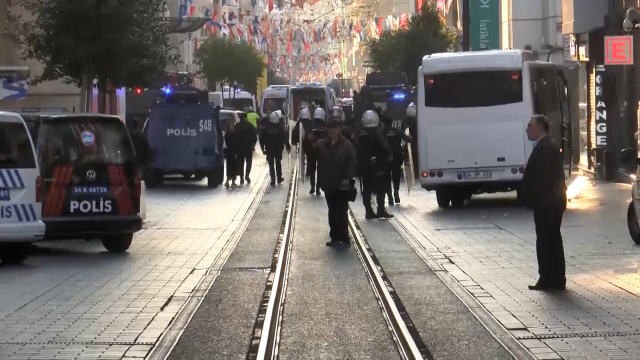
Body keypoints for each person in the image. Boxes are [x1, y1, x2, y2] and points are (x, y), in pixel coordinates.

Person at [522, 115, 567, 291]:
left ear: (540, 127)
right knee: (553, 239)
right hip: (551, 202)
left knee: (546, 240)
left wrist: (534, 195)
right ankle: (556, 278)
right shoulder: (546, 146)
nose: (527, 129)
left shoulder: (546, 148)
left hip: (547, 203)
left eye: (530, 126)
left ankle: (548, 279)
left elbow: (546, 178)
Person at [315, 115, 357, 247]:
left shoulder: (346, 145)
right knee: (332, 211)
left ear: (340, 129)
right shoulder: (322, 144)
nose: (332, 131)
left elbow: (351, 162)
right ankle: (334, 236)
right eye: (330, 128)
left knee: (341, 211)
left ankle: (344, 237)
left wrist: (347, 179)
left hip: (342, 185)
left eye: (335, 128)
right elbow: (311, 154)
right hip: (328, 183)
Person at [356, 110, 393, 219]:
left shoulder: (360, 133)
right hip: (379, 164)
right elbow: (385, 146)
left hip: (365, 165)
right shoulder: (378, 132)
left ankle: (368, 211)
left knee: (366, 189)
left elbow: (357, 149)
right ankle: (380, 210)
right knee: (381, 188)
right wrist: (389, 157)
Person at [382, 115, 412, 205]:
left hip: (386, 158)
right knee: (396, 177)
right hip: (397, 157)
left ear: (384, 123)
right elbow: (409, 139)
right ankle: (396, 193)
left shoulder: (382, 132)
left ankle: (390, 197)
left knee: (387, 178)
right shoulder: (397, 131)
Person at [261, 111, 291, 186]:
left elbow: (261, 139)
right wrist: (288, 146)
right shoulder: (280, 128)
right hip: (278, 148)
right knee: (278, 163)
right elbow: (284, 137)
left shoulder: (265, 128)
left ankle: (273, 180)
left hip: (269, 149)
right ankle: (279, 177)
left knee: (271, 164)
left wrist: (263, 149)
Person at [307, 108, 328, 196]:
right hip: (321, 152)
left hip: (311, 151)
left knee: (312, 169)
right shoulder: (325, 126)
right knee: (320, 170)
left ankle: (312, 187)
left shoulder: (310, 125)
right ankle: (318, 188)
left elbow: (307, 138)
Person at [235, 113, 258, 184]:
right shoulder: (250, 126)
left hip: (239, 147)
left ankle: (241, 177)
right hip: (248, 147)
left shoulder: (237, 126)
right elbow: (254, 136)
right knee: (248, 162)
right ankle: (247, 175)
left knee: (240, 163)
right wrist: (253, 144)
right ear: (245, 118)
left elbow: (234, 136)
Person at [402, 103, 419, 179]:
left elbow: (402, 132)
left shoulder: (404, 121)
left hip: (407, 143)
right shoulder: (416, 121)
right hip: (414, 144)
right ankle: (416, 172)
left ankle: (410, 174)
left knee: (408, 159)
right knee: (415, 159)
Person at [224, 122, 240, 189]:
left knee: (230, 168)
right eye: (231, 126)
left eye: (232, 126)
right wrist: (236, 153)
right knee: (234, 168)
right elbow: (235, 144)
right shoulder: (233, 134)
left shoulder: (226, 134)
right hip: (233, 153)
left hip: (229, 153)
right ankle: (232, 183)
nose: (232, 127)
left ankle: (227, 182)